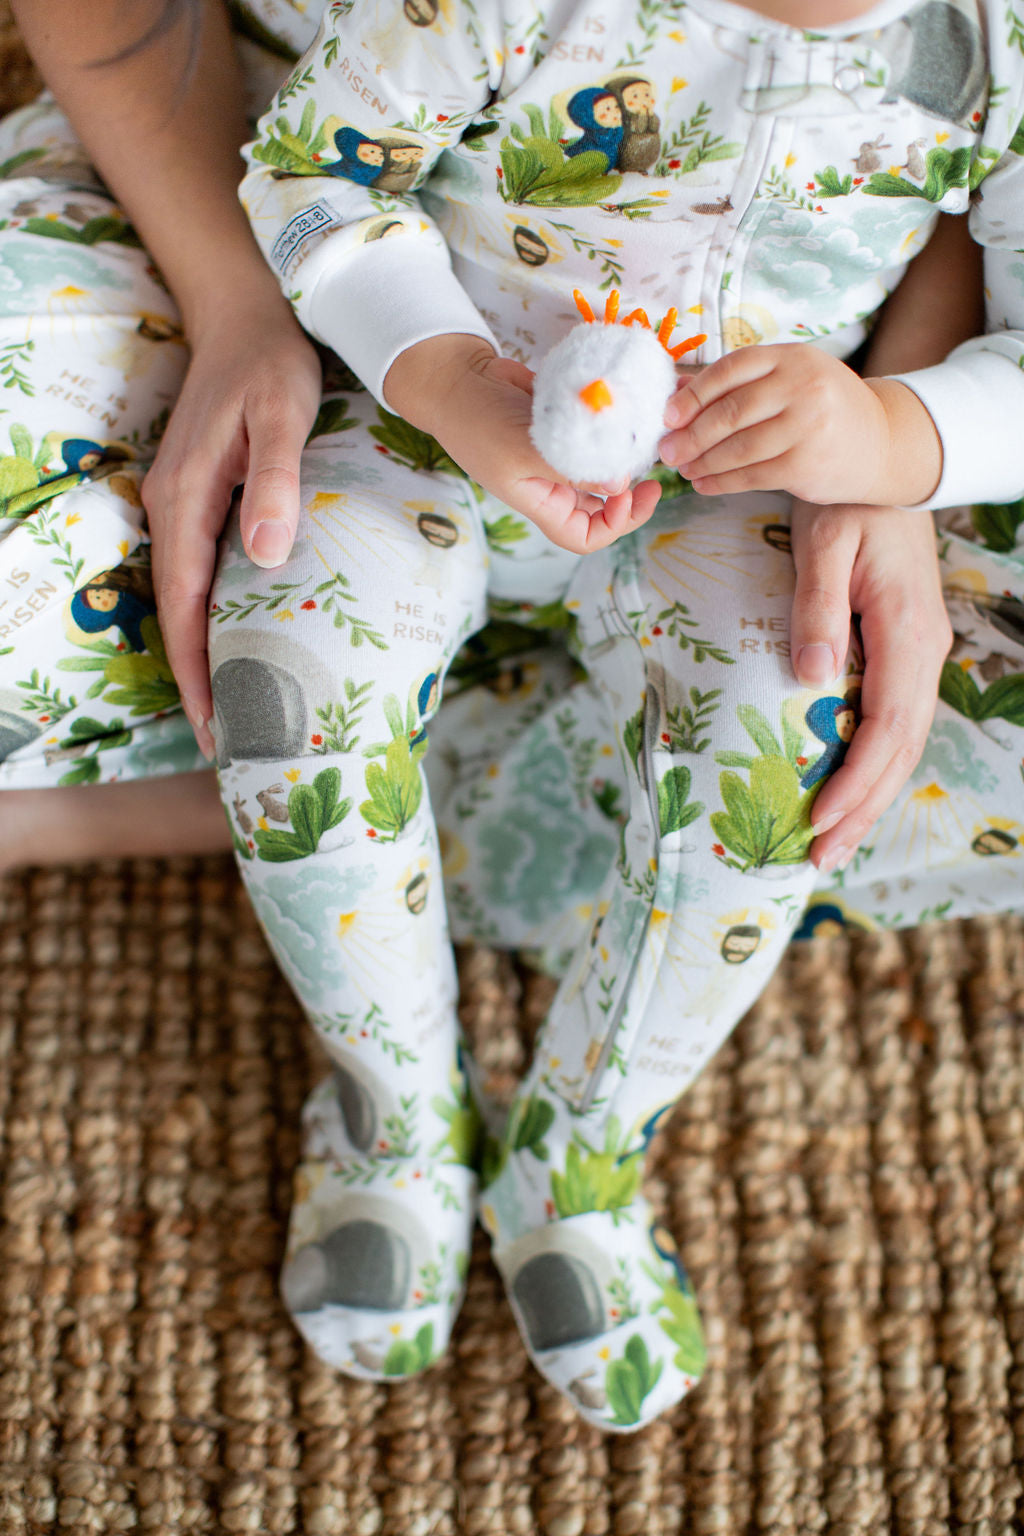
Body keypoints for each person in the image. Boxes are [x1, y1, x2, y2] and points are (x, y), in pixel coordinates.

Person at [1, 0, 1021, 1433]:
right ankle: (394, 1116)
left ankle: (582, 1159)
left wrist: (899, 441)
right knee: (290, 666)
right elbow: (320, 168)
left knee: (788, 749)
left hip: (746, 475)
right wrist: (437, 372)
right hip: (421, 391)